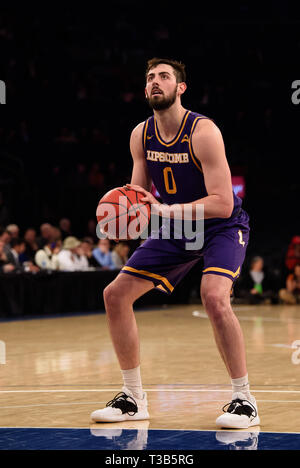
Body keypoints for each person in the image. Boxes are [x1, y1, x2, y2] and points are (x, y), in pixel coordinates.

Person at [91, 58, 259, 429]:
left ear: (180, 87)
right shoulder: (141, 134)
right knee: (114, 295)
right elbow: (137, 196)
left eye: (164, 76)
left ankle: (244, 399)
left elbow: (222, 202)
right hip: (175, 226)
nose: (155, 82)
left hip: (219, 225)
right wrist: (125, 218)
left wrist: (164, 210)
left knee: (214, 296)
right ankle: (133, 397)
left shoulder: (203, 132)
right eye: (150, 77)